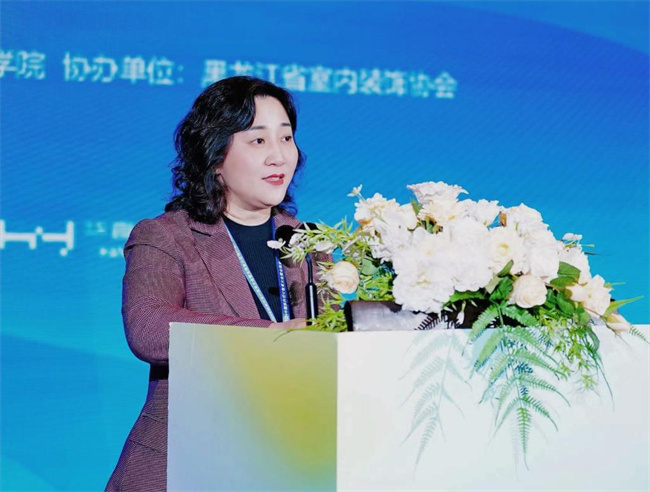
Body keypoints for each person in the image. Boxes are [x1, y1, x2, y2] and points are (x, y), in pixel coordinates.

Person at [106, 76, 314, 491]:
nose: (279, 156)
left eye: (286, 138)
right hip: (186, 465)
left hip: (283, 463)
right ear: (216, 157)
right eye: (258, 141)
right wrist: (273, 336)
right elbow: (148, 328)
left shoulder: (308, 240)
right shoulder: (166, 236)